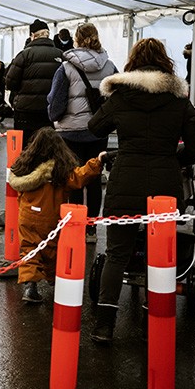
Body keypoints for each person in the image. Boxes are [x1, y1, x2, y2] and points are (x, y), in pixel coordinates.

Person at [88, 38, 195, 343]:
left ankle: (104, 324)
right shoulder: (179, 100)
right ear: (165, 63)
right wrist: (174, 160)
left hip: (125, 181)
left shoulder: (120, 96)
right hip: (164, 187)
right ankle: (155, 315)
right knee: (160, 255)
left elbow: (94, 127)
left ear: (132, 63)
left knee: (116, 254)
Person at [8, 127, 105, 303]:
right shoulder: (59, 170)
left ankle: (30, 287)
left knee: (29, 250)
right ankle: (54, 279)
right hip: (50, 216)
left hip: (26, 217)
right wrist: (96, 162)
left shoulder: (24, 166)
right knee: (51, 249)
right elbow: (79, 177)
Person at [47, 23, 117, 241]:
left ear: (76, 40)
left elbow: (57, 102)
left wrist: (54, 117)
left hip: (70, 131)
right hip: (98, 130)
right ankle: (91, 228)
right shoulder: (110, 67)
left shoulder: (66, 67)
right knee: (94, 178)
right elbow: (118, 98)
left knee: (74, 177)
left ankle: (75, 223)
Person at [5, 19, 64, 145]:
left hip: (26, 111)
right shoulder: (60, 54)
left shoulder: (24, 55)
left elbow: (10, 83)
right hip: (50, 110)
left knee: (26, 147)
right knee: (47, 146)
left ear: (32, 35)